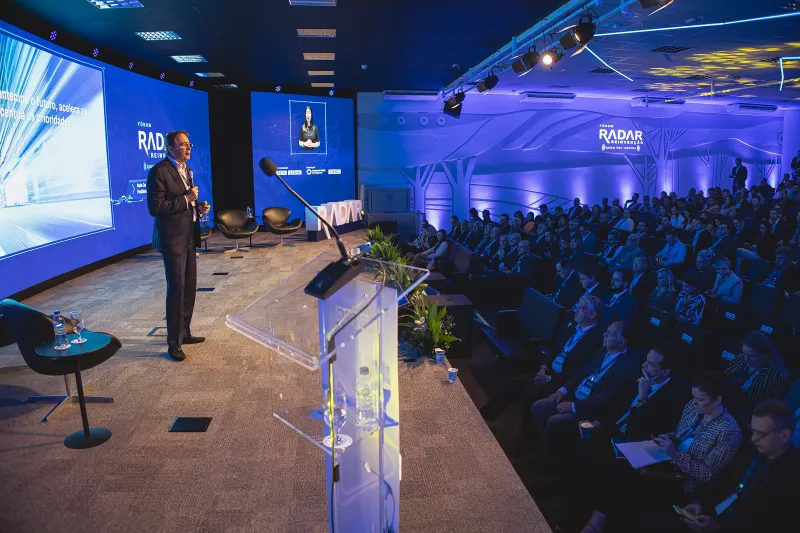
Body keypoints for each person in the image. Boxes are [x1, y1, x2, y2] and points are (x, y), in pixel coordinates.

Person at [652, 400, 799, 533]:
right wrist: (699, 502)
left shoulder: (792, 476)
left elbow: (773, 525)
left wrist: (720, 529)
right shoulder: (752, 450)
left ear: (784, 435)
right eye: (753, 430)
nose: (754, 438)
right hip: (712, 512)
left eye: (761, 433)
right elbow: (722, 478)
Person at [147, 130, 209, 361]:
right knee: (176, 289)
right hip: (172, 239)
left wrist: (197, 208)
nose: (188, 148)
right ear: (170, 148)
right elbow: (156, 207)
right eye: (183, 145)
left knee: (189, 287)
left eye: (189, 144)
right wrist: (186, 199)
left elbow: (185, 202)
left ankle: (185, 332)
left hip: (189, 237)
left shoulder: (187, 170)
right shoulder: (159, 171)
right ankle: (173, 342)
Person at [531, 321, 640, 453]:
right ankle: (543, 449)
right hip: (575, 397)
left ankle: (550, 459)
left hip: (589, 410)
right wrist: (561, 392)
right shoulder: (603, 350)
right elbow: (581, 373)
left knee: (554, 422)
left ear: (622, 342)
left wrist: (573, 406)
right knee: (538, 407)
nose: (604, 334)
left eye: (610, 333)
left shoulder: (628, 367)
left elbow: (606, 398)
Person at [723, 332, 788, 420]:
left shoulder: (775, 377)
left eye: (752, 356)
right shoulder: (740, 358)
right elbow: (723, 379)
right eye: (744, 353)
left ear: (765, 355)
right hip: (723, 406)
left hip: (746, 417)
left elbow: (766, 410)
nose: (746, 358)